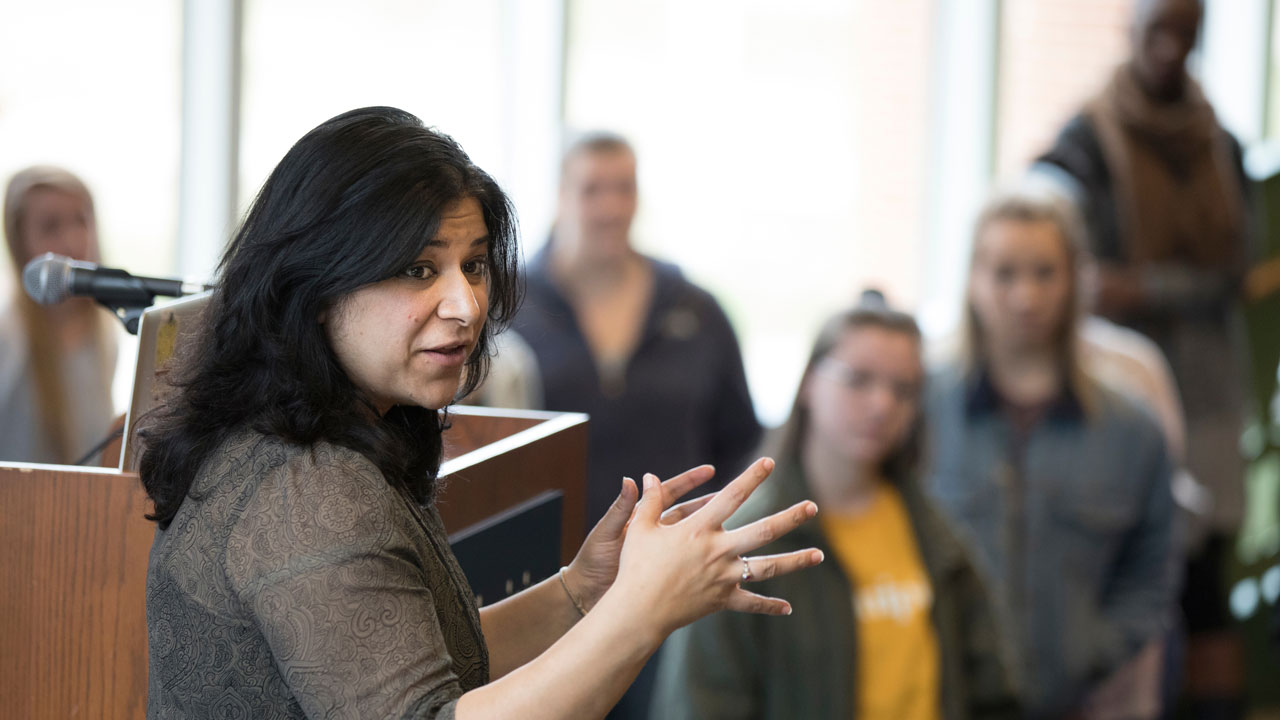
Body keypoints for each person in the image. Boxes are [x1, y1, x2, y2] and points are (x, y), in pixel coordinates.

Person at [139, 106, 824, 720]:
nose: (466, 306)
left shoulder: (341, 432)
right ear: (317, 285)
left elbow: (429, 663)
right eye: (419, 270)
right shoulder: (307, 485)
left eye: (473, 266)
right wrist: (640, 612)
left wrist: (584, 591)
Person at [652, 293, 1018, 720]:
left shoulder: (935, 531)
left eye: (903, 390)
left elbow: (990, 688)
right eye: (858, 380)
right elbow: (702, 704)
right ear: (809, 382)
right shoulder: (744, 543)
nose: (882, 405)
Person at [1035, 0, 1252, 709]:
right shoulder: (1087, 141)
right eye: (1159, 30)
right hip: (1121, 387)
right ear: (1130, 28)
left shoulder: (1219, 143)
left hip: (1207, 389)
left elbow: (1233, 269)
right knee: (1128, 567)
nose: (1170, 48)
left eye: (1186, 34)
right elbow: (1064, 243)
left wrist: (1148, 286)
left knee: (1205, 577)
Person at [924, 188, 1176, 718]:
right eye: (1005, 274)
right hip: (936, 697)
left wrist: (1097, 652)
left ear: (1074, 280)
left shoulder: (1132, 430)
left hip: (1073, 701)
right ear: (973, 279)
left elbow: (1152, 568)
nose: (1026, 297)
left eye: (1045, 273)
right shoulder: (918, 413)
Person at [511, 132, 762, 526]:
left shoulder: (695, 309)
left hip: (674, 547)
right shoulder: (509, 308)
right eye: (592, 190)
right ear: (561, 196)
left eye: (624, 188)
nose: (611, 208)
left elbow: (741, 440)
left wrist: (710, 525)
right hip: (550, 549)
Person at [0, 166, 117, 464]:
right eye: (50, 226)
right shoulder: (8, 336)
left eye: (80, 221)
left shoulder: (104, 329)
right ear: (19, 242)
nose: (72, 242)